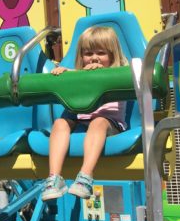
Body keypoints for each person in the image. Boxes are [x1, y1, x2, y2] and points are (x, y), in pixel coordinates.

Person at [41, 26, 128, 201]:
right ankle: (54, 178)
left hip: (108, 122)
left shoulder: (119, 72)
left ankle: (85, 177)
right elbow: (71, 80)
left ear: (112, 55)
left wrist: (100, 72)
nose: (94, 57)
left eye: (101, 53)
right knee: (60, 123)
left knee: (98, 122)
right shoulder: (82, 73)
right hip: (80, 118)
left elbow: (127, 76)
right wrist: (64, 74)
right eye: (88, 53)